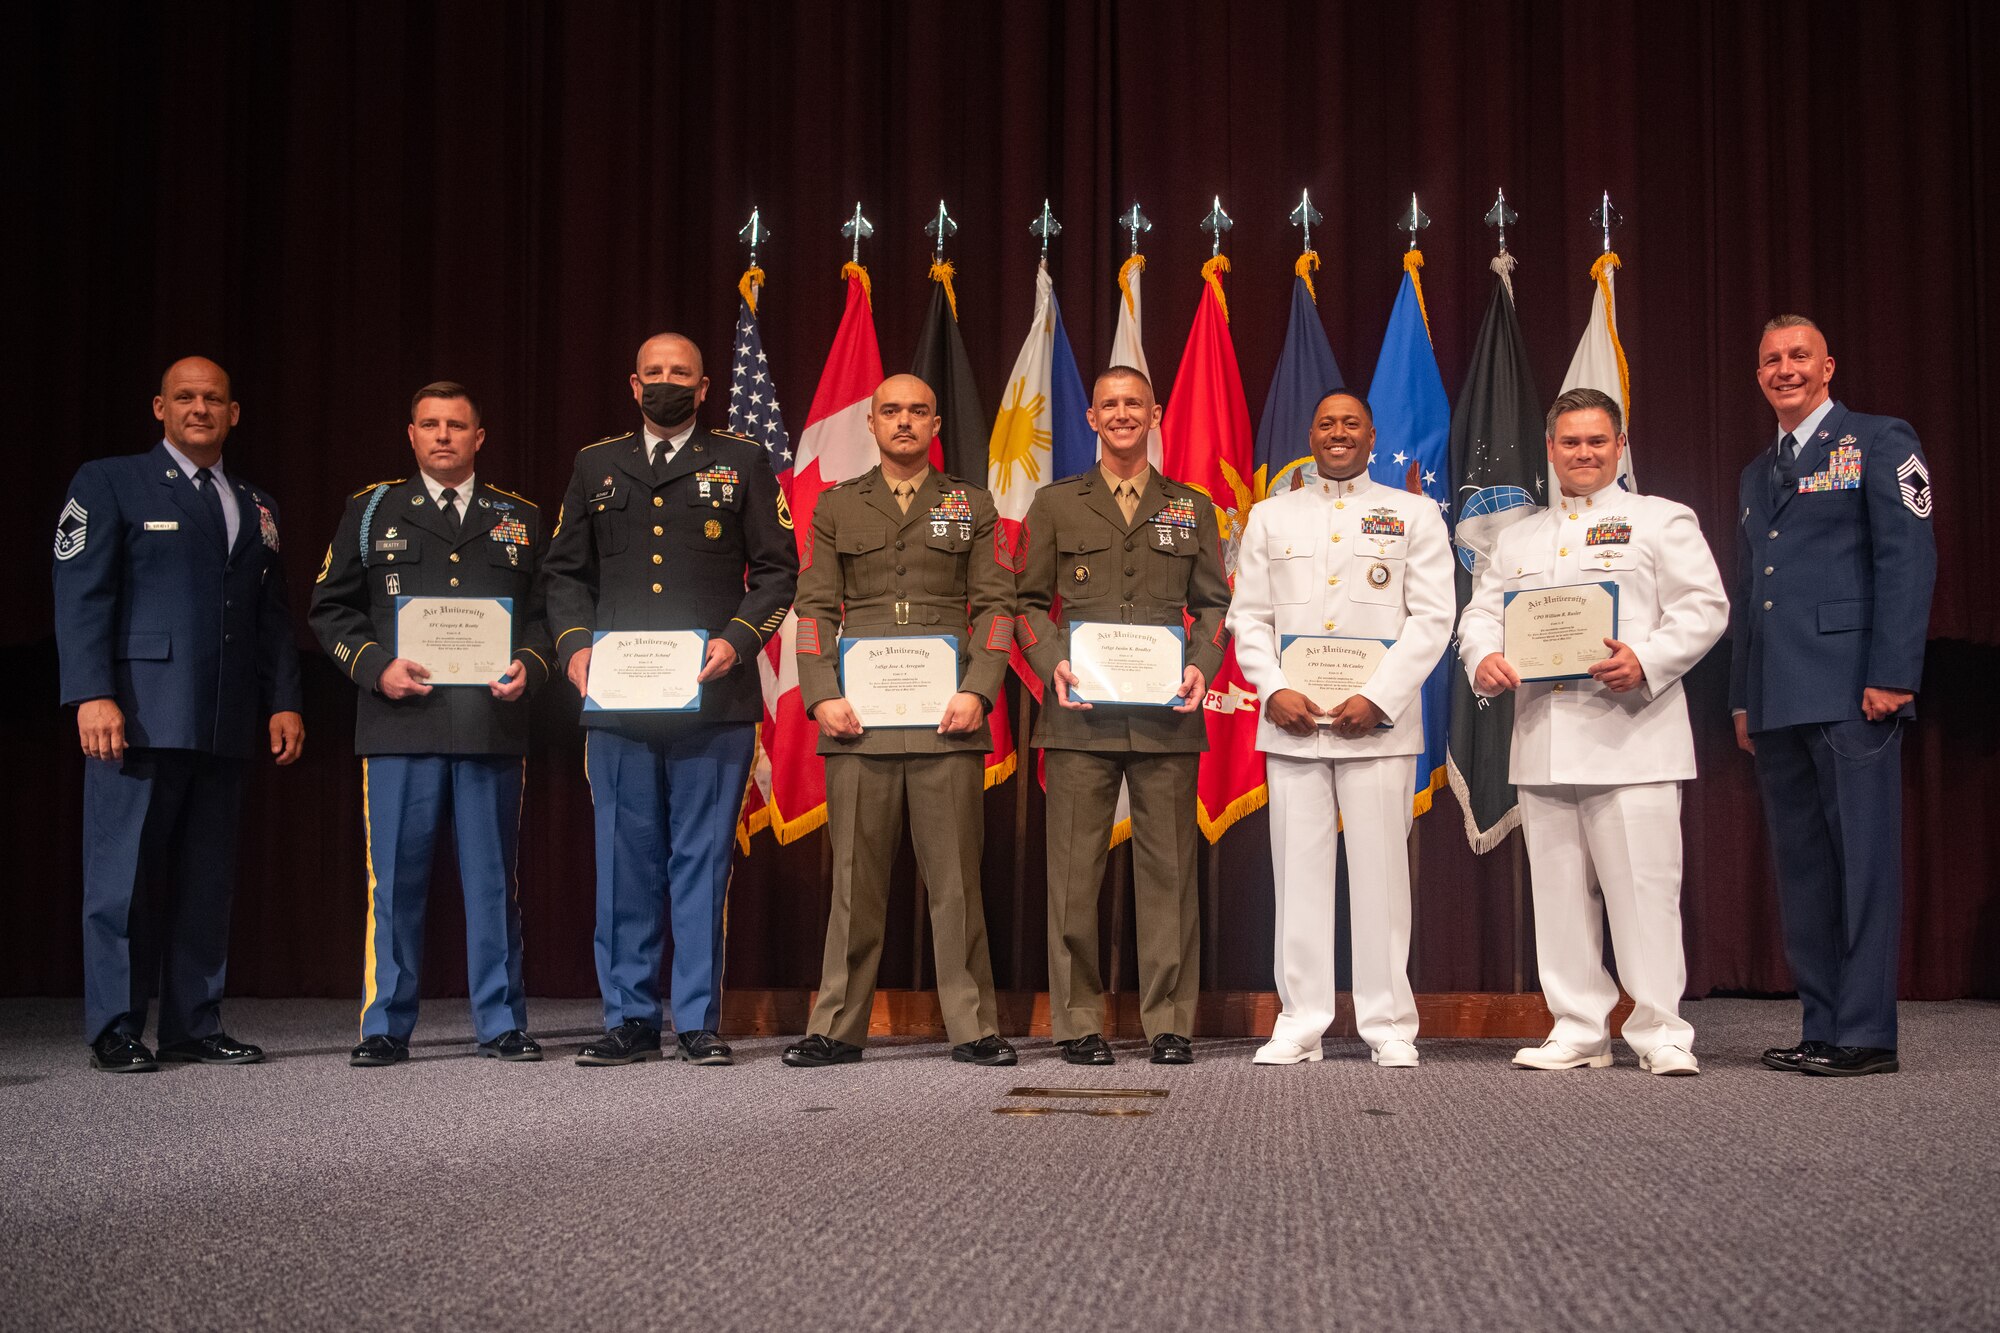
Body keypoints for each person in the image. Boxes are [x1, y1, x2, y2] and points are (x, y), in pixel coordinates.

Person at [543, 331, 797, 1066]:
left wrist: (739, 639)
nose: (665, 382)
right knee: (624, 862)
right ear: (632, 384)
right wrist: (573, 647)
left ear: (704, 384)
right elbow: (564, 573)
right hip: (618, 700)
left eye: (679, 373)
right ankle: (627, 1017)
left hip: (712, 698)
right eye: (652, 372)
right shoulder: (596, 464)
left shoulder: (741, 460)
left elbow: (779, 571)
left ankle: (696, 1019)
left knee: (701, 860)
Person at [1458, 388, 1728, 1075]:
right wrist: (1481, 657)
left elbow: (1704, 607)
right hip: (1544, 737)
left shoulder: (1661, 520)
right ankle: (1578, 1026)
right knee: (1558, 895)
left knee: (1644, 891)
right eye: (1570, 442)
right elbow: (1481, 616)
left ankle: (1660, 1029)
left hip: (1633, 734)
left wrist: (1649, 660)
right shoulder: (1516, 536)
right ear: (1550, 449)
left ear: (1620, 446)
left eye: (1597, 441)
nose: (1583, 453)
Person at [53, 357, 305, 1072]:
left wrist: (283, 698)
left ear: (234, 414)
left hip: (224, 719)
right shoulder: (109, 481)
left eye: (214, 399)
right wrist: (91, 693)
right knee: (122, 879)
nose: (200, 408)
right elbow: (81, 595)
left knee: (206, 879)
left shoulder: (256, 502)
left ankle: (194, 1021)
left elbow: (271, 617)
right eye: (186, 397)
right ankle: (116, 1025)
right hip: (135, 713)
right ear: (158, 407)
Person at [309, 382, 553, 1067]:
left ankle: (502, 1022)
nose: (443, 435)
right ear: (410, 434)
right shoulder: (372, 510)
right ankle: (385, 1023)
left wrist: (532, 665)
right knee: (396, 880)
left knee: (489, 880)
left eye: (457, 425)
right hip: (398, 722)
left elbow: (547, 614)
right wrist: (375, 665)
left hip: (489, 721)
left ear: (480, 437)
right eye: (430, 424)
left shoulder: (523, 517)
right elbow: (331, 609)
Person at [781, 374, 1015, 1068]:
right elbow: (816, 607)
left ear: (936, 424)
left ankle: (973, 1026)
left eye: (917, 411)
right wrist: (821, 693)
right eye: (891, 411)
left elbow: (997, 606)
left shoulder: (969, 503)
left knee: (956, 882)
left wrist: (979, 688)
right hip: (859, 716)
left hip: (950, 716)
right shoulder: (836, 506)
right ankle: (836, 1026)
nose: (904, 421)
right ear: (872, 425)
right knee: (854, 881)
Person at [1732, 315, 1936, 1078]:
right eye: (1771, 360)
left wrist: (1894, 671)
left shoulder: (1879, 441)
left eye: (1798, 357)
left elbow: (1907, 557)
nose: (1784, 369)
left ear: (1828, 367)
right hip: (1779, 699)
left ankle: (1866, 1032)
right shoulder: (1758, 472)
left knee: (1864, 864)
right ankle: (1821, 1025)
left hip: (1857, 690)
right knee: (1806, 871)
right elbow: (1754, 591)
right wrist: (1744, 698)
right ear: (1759, 376)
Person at [1226, 391, 1452, 1068]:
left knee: (1382, 874)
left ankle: (1388, 1024)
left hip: (1376, 724)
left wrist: (1379, 695)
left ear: (1372, 434)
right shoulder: (1271, 515)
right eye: (1326, 422)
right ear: (1311, 432)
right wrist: (1273, 688)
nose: (1338, 432)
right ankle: (1300, 1019)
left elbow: (1433, 616)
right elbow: (1249, 618)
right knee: (1297, 874)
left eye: (1351, 422)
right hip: (1293, 721)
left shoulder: (1414, 514)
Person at [1015, 366, 1230, 1066]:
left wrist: (1203, 660)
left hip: (1167, 715)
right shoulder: (1056, 504)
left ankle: (1169, 1021)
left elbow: (1214, 605)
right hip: (1080, 715)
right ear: (1090, 417)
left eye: (1134, 402)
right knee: (1075, 876)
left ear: (1156, 412)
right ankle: (1078, 1022)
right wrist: (1052, 664)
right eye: (1109, 404)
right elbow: (1023, 604)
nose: (1122, 414)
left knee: (1169, 876)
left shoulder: (1190, 506)